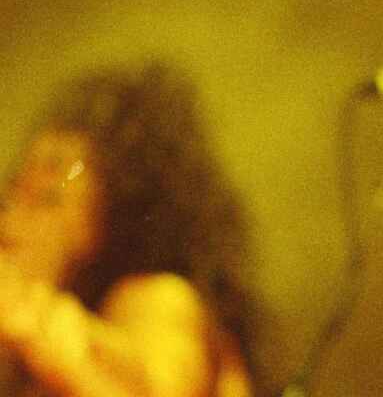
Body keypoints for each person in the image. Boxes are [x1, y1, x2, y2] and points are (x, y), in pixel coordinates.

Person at [0, 64, 255, 396]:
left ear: (116, 212)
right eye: (13, 194)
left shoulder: (160, 299)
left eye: (47, 199)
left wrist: (32, 323)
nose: (12, 219)